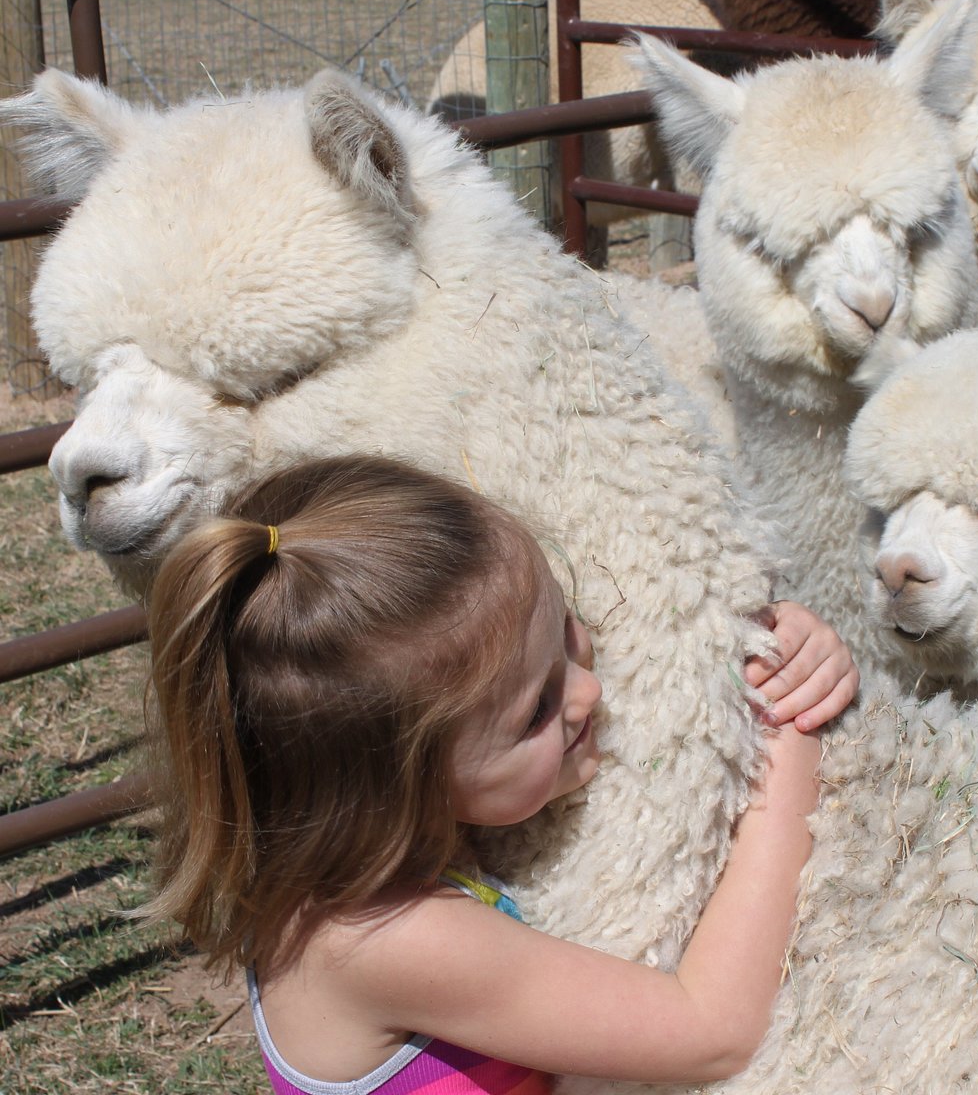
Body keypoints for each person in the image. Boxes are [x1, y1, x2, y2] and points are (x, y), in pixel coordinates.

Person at [142, 454, 858, 1095]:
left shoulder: (363, 874)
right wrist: (785, 730)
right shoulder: (384, 940)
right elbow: (712, 1031)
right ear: (397, 789)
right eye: (538, 709)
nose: (589, 692)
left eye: (568, 630)